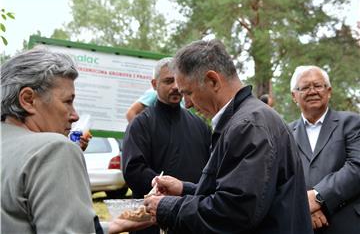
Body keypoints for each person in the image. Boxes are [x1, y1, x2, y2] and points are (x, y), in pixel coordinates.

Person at [143, 39, 313, 234]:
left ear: (212, 81)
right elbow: (239, 190)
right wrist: (184, 188)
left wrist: (168, 208)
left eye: (188, 93)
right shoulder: (246, 119)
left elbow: (235, 212)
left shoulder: (248, 126)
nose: (187, 104)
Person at [1, 47, 154, 234]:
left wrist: (108, 227)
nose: (75, 116)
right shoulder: (54, 149)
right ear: (28, 99)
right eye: (67, 101)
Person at [122, 57, 212, 234]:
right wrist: (163, 188)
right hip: (152, 221)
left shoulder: (200, 125)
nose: (175, 87)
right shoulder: (141, 124)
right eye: (168, 81)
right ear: (155, 84)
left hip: (191, 217)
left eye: (177, 81)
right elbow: (133, 170)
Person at [289, 65, 360, 234]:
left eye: (318, 85)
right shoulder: (285, 133)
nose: (312, 91)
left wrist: (318, 197)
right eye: (305, 87)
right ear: (294, 96)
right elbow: (281, 179)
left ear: (329, 91)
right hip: (301, 225)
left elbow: (357, 167)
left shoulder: (352, 123)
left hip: (346, 224)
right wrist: (304, 207)